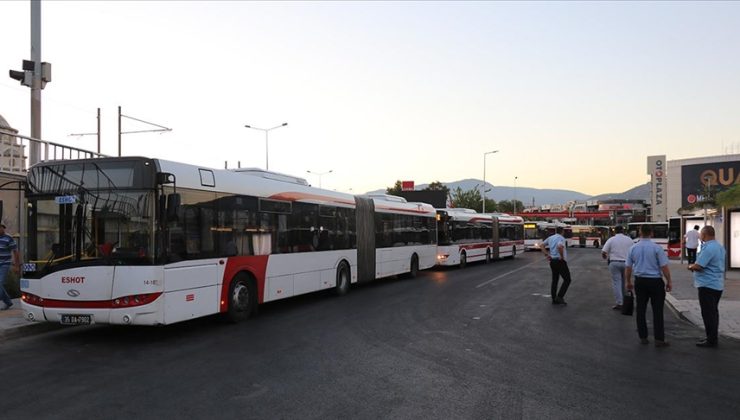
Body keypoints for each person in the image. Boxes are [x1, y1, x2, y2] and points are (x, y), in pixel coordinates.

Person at [625, 224, 673, 347]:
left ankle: (643, 337)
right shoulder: (657, 248)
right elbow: (664, 267)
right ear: (651, 233)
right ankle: (659, 339)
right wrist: (669, 281)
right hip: (655, 282)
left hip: (640, 281)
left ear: (640, 233)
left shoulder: (633, 248)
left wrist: (628, 282)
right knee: (657, 310)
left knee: (640, 309)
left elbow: (628, 267)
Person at [688, 226, 726, 348]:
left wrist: (690, 266)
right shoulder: (720, 247)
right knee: (713, 312)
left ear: (705, 235)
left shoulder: (709, 248)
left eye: (701, 235)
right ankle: (711, 336)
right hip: (717, 284)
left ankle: (711, 340)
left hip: (707, 285)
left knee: (708, 313)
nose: (700, 237)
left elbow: (699, 266)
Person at [601, 226, 634, 310]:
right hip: (627, 263)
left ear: (615, 231)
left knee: (617, 283)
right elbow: (633, 251)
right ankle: (626, 301)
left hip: (614, 263)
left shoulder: (611, 239)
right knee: (625, 282)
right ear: (623, 231)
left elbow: (604, 251)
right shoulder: (629, 240)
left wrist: (605, 256)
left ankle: (620, 303)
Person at [541, 226, 571, 305]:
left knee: (555, 280)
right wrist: (562, 256)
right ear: (562, 232)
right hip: (560, 261)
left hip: (552, 261)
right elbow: (560, 247)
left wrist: (546, 255)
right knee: (567, 279)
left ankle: (554, 298)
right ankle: (560, 297)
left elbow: (541, 245)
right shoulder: (561, 238)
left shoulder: (550, 238)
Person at [0, 223, 21, 310]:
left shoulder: (8, 238)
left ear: (3, 228)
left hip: (5, 264)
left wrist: (16, 266)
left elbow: (15, 252)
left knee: (0, 283)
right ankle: (8, 302)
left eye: (0, 227)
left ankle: (7, 301)